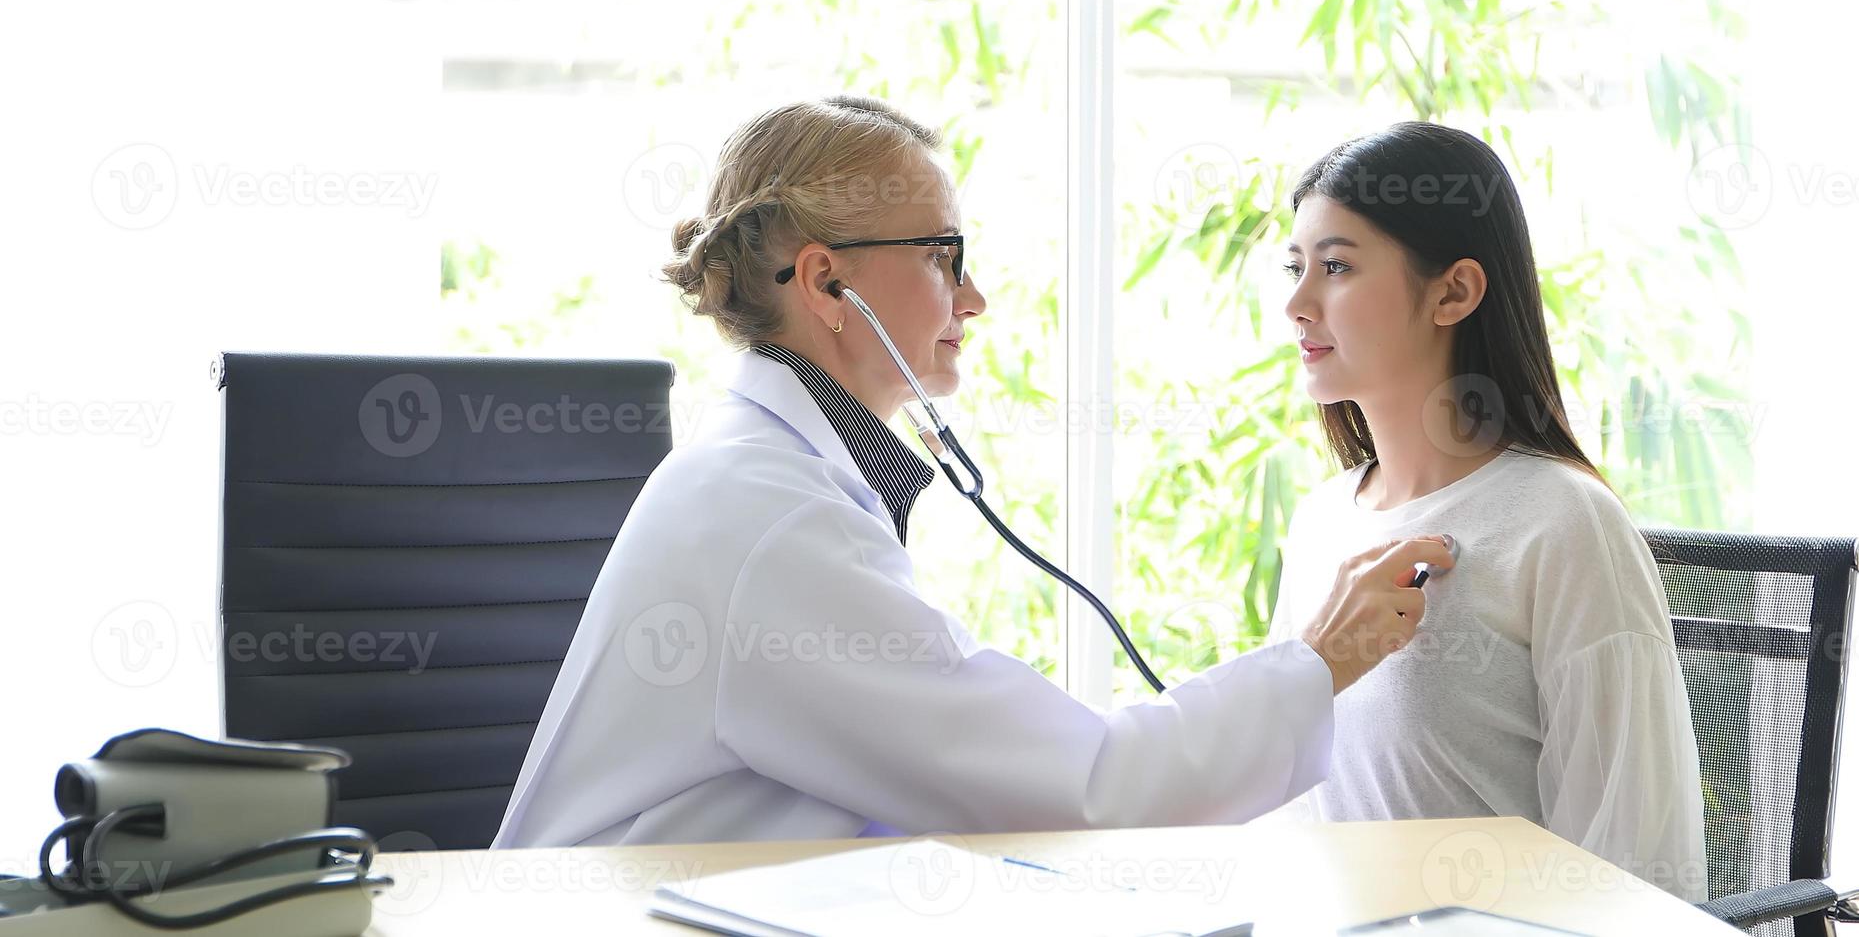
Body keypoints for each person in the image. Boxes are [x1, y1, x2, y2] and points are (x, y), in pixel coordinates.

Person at [493, 96, 1452, 848]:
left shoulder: (771, 477)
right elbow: (1089, 790)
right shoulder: (769, 518)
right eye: (944, 258)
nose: (975, 297)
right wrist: (1322, 658)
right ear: (829, 283)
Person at [1265, 121, 1707, 900]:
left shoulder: (1563, 524)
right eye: (1294, 267)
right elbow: (1285, 806)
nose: (1297, 303)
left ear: (1454, 292)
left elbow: (1631, 858)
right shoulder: (1321, 520)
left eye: (1335, 266)